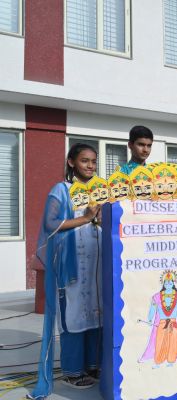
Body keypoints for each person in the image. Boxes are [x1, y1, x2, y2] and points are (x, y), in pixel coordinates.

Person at [30, 144, 103, 399]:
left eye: (93, 161)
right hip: (71, 267)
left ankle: (93, 365)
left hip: (97, 267)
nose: (90, 166)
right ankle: (72, 371)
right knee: (73, 316)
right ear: (71, 162)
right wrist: (85, 218)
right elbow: (50, 223)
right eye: (84, 161)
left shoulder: (99, 190)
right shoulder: (61, 190)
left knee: (96, 314)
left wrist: (101, 218)